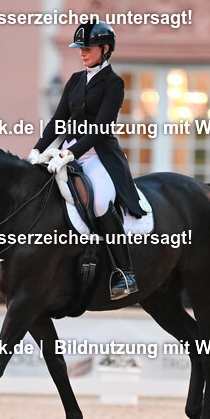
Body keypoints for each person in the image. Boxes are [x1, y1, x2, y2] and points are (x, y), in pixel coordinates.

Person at [28, 21, 146, 300]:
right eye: (80, 48)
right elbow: (58, 121)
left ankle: (125, 273)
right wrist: (37, 150)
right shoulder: (75, 80)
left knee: (102, 201)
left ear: (105, 50)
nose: (82, 53)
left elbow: (101, 127)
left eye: (88, 48)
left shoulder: (114, 83)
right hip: (67, 152)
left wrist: (69, 155)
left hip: (98, 155)